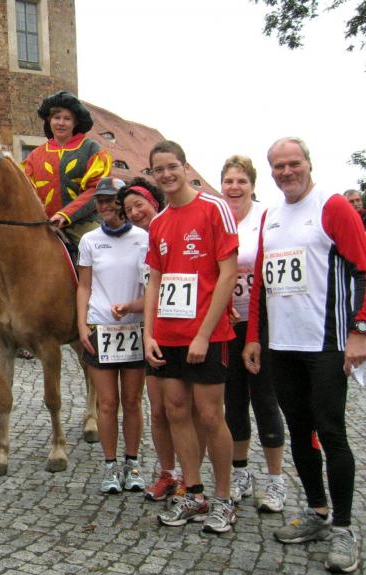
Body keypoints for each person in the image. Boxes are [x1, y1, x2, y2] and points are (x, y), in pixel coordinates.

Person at [243, 137, 366, 573]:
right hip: (283, 345)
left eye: (293, 163)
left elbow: (364, 268)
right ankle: (317, 511)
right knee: (299, 431)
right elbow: (260, 283)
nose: (286, 172)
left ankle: (344, 529)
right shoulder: (271, 216)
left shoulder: (333, 206)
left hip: (325, 343)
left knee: (332, 432)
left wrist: (360, 331)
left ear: (308, 164)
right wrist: (254, 337)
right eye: (278, 166)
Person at [143, 140, 238, 534]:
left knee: (211, 416)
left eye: (172, 167)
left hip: (207, 335)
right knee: (177, 411)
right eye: (158, 169)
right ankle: (194, 493)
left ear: (185, 167)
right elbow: (155, 281)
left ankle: (224, 499)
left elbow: (228, 273)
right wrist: (149, 333)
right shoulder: (158, 223)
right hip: (168, 335)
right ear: (152, 175)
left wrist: (203, 335)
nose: (166, 174)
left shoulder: (213, 208)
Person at [219, 155, 287, 511]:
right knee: (233, 401)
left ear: (252, 185)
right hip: (227, 323)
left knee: (265, 399)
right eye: (229, 181)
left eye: (241, 181)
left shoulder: (266, 217)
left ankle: (276, 480)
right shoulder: (217, 218)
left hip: (262, 322)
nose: (234, 187)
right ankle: (241, 471)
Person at [77, 177, 148, 494]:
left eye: (110, 200)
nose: (104, 206)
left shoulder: (143, 238)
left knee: (132, 402)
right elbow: (84, 286)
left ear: (121, 202)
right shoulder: (89, 240)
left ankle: (132, 463)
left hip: (134, 328)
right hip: (101, 328)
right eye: (100, 200)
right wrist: (81, 324)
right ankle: (109, 465)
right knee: (106, 403)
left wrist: (137, 310)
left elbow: (150, 285)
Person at [117, 178, 180, 502]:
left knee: (187, 411)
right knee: (158, 411)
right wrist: (131, 307)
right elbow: (151, 293)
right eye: (128, 209)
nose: (134, 213)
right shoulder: (142, 243)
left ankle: (193, 480)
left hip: (183, 330)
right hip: (154, 332)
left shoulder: (173, 231)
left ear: (154, 202)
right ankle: (168, 474)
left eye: (138, 205)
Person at [23, 90, 112, 245]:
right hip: (43, 225)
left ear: (75, 122)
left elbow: (96, 189)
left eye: (67, 118)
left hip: (82, 223)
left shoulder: (92, 149)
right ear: (49, 120)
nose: (61, 123)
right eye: (56, 118)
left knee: (99, 248)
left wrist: (66, 215)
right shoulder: (34, 156)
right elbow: (27, 192)